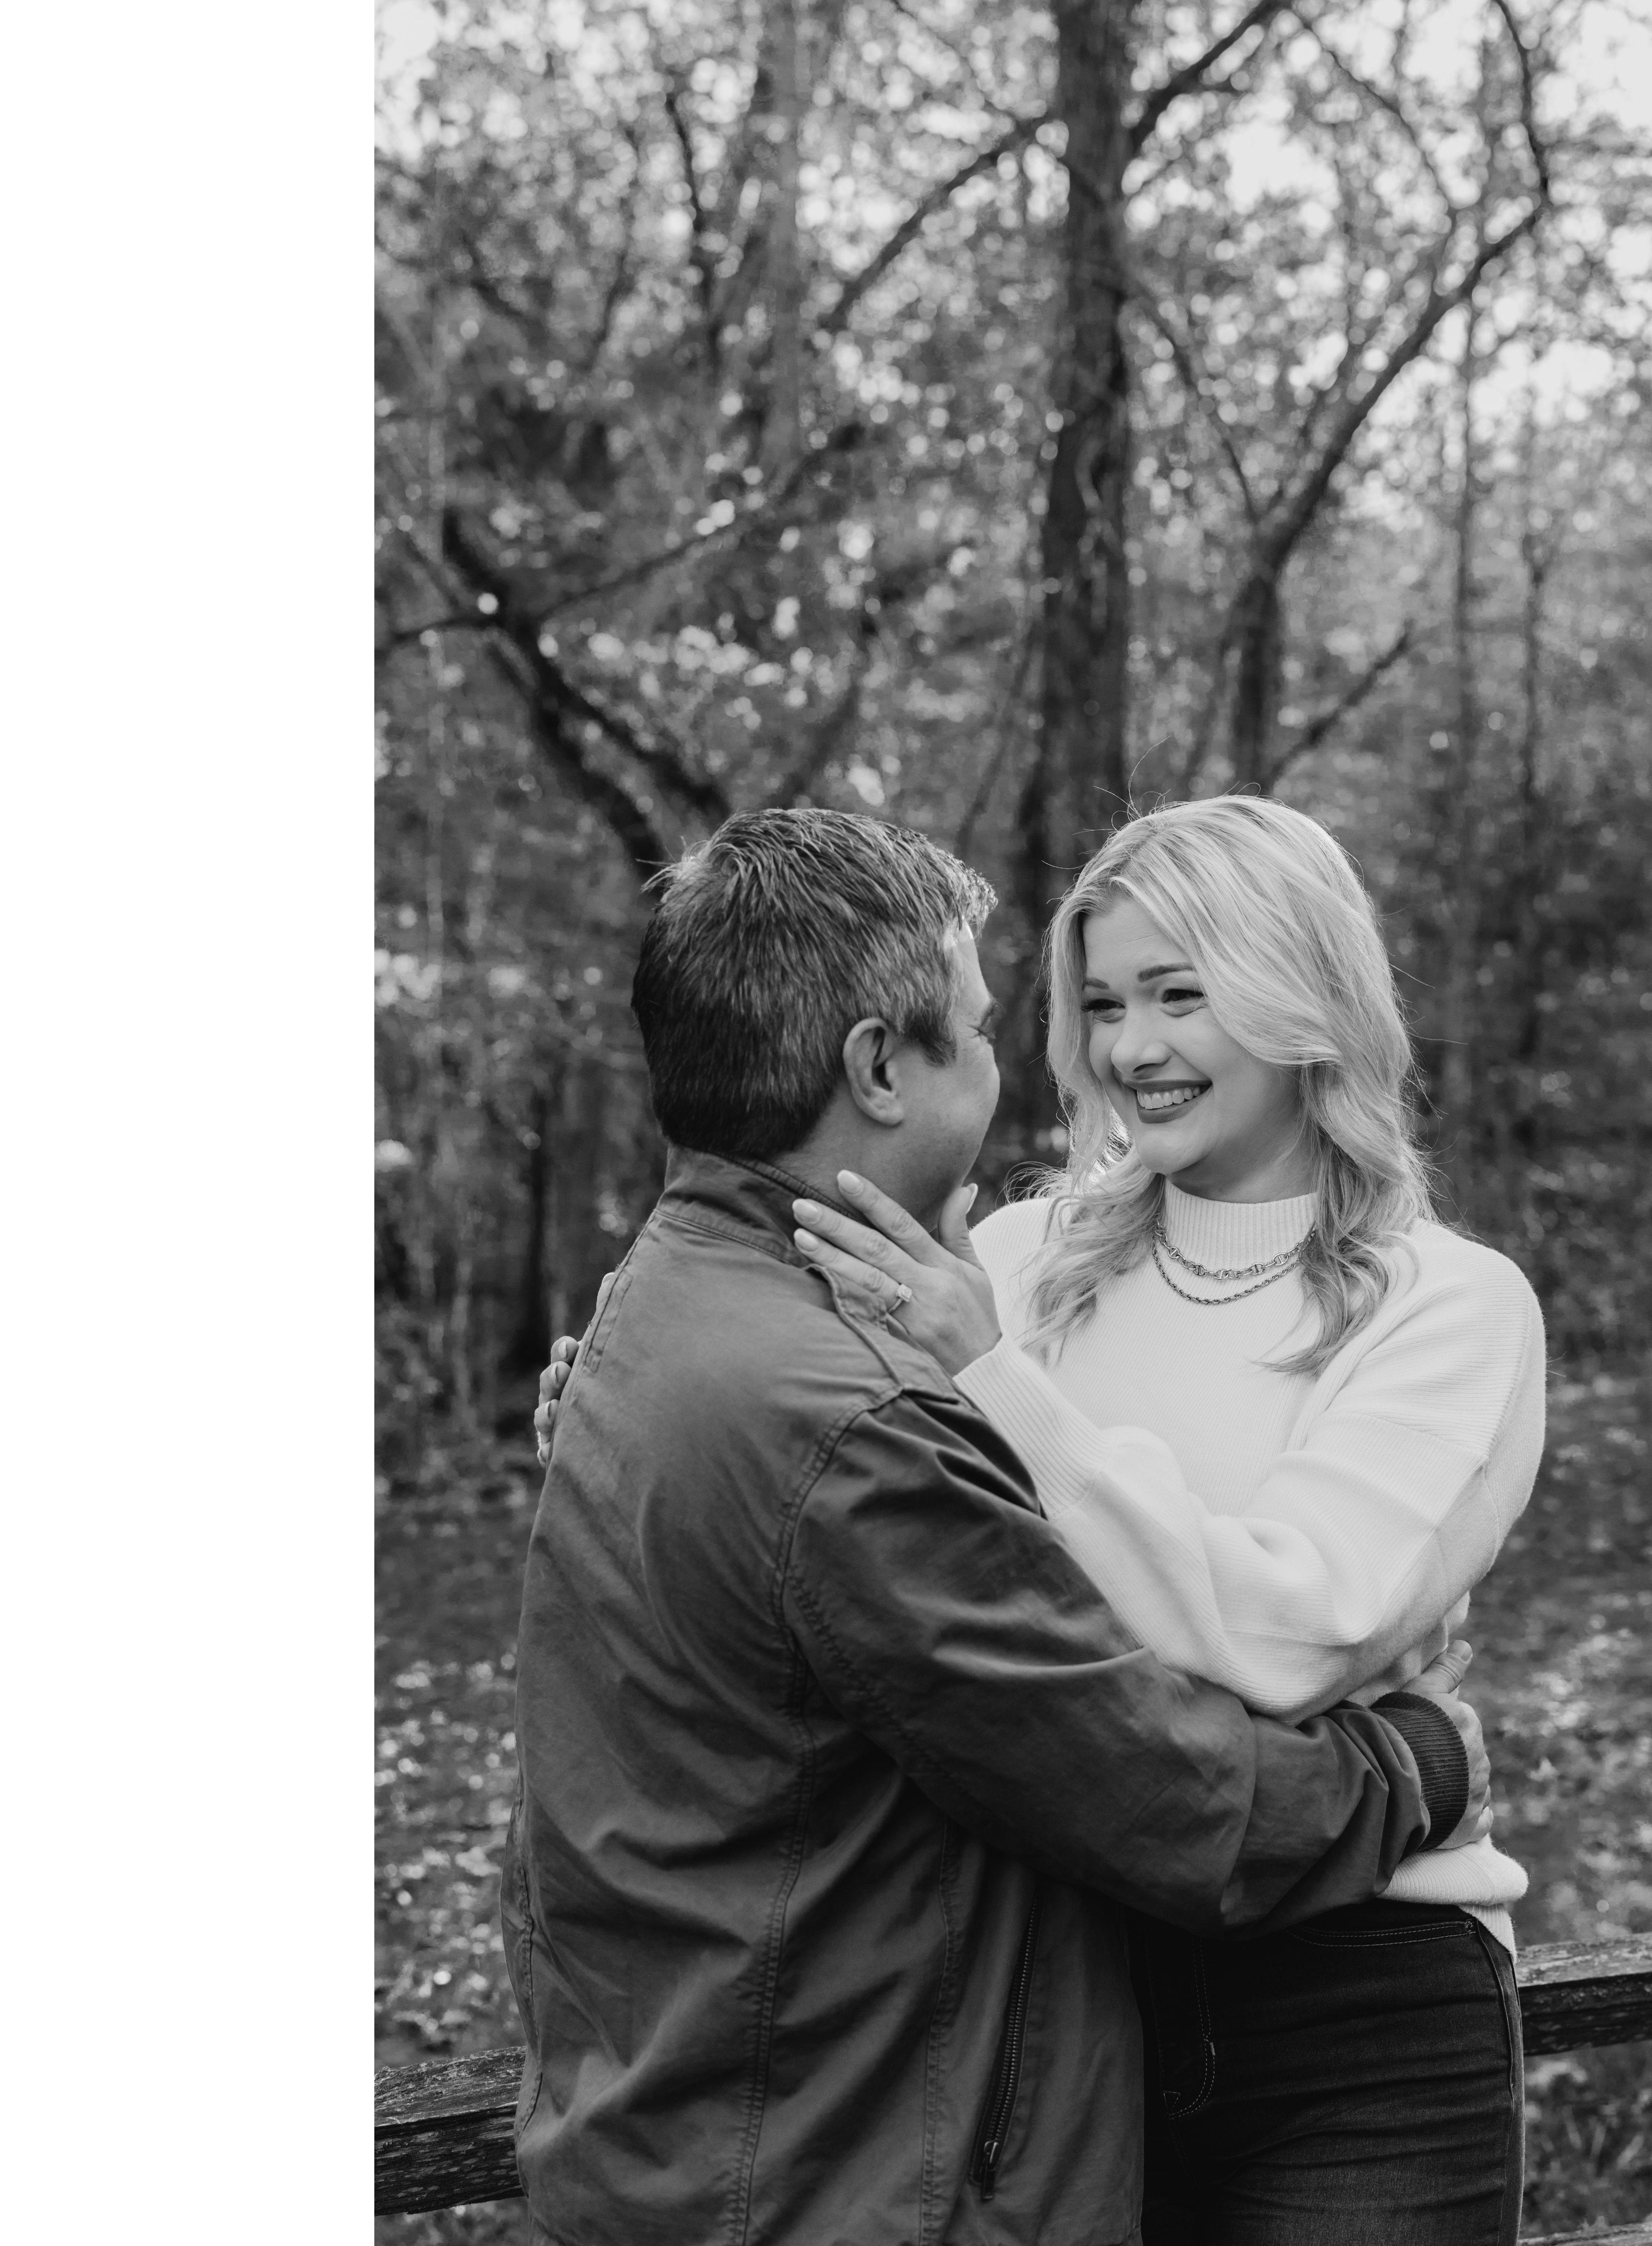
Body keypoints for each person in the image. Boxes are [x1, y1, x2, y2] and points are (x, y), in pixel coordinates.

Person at [539, 797, 1547, 2244]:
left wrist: (996, 1377)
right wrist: (603, 1417)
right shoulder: (1009, 1259)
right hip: (1064, 1995)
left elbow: (1287, 1637)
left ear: (1301, 988)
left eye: (1181, 994)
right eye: (1103, 1002)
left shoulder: (1448, 1307)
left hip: (1354, 1999)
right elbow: (798, 1463)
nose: (1132, 1048)